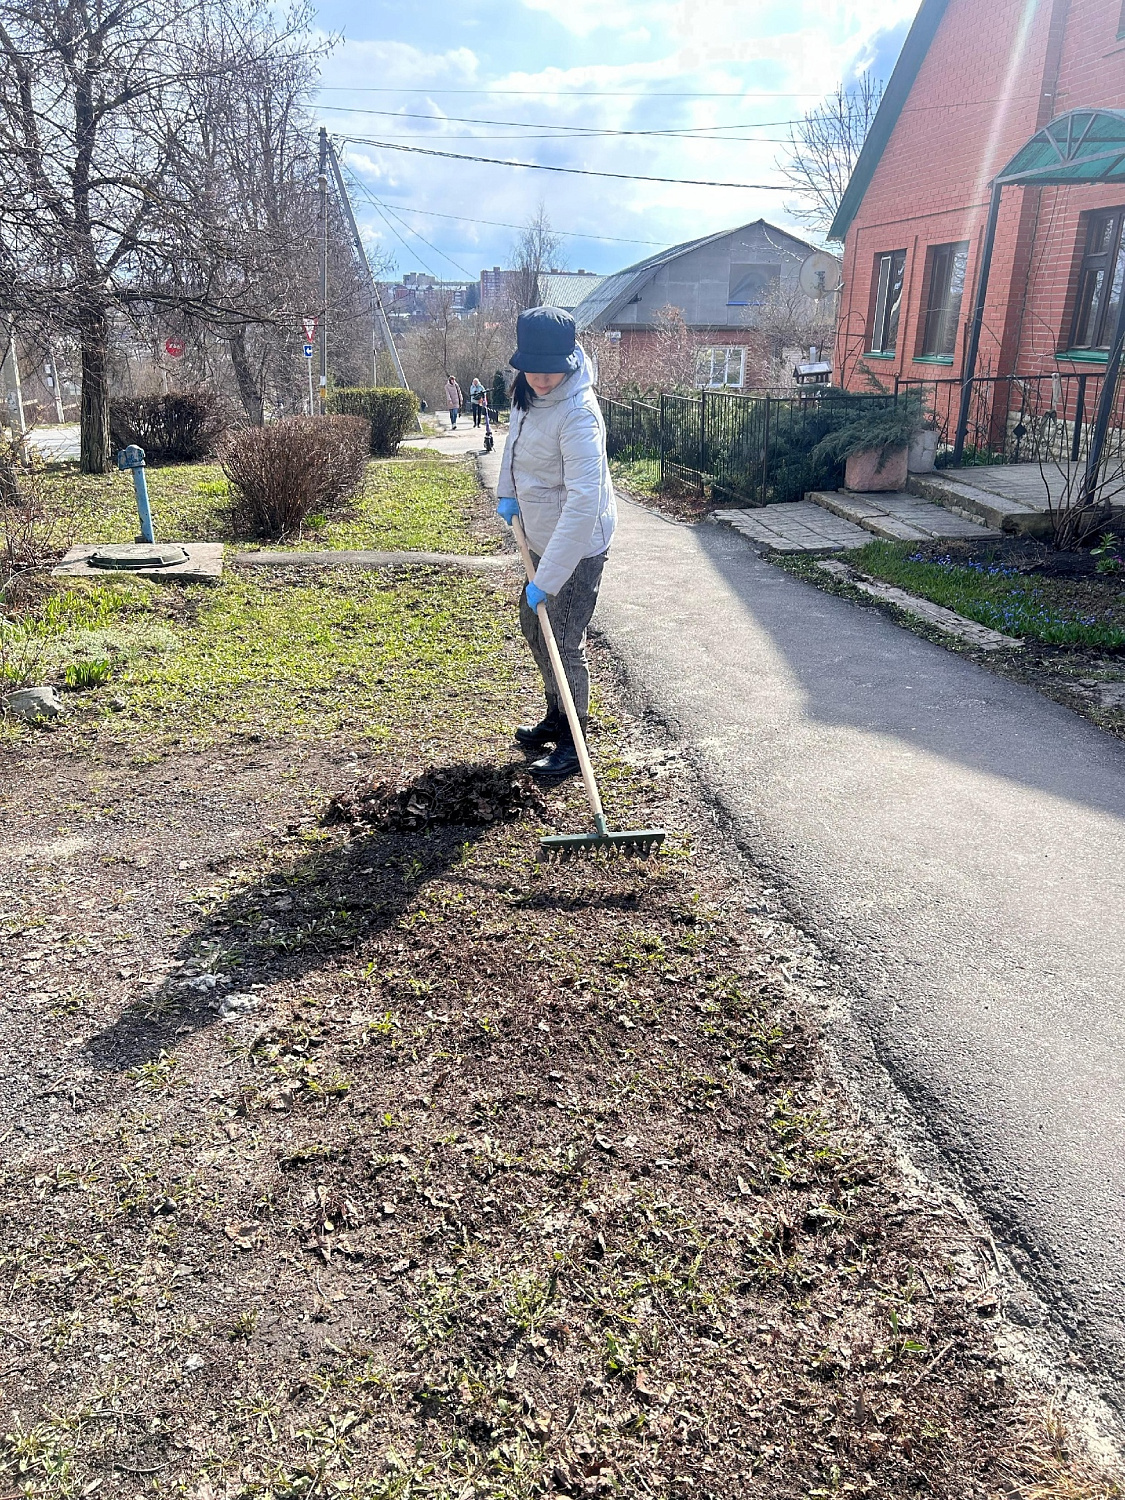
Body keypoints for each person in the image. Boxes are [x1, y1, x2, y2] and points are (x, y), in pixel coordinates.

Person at [495, 306, 616, 780]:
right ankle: (556, 712)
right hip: (540, 532)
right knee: (534, 628)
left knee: (564, 641)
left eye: (551, 372)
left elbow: (584, 505)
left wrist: (547, 579)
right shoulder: (526, 393)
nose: (542, 380)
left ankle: (574, 740)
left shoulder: (579, 415)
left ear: (569, 361)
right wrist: (508, 494)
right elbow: (514, 443)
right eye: (533, 370)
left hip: (578, 544)